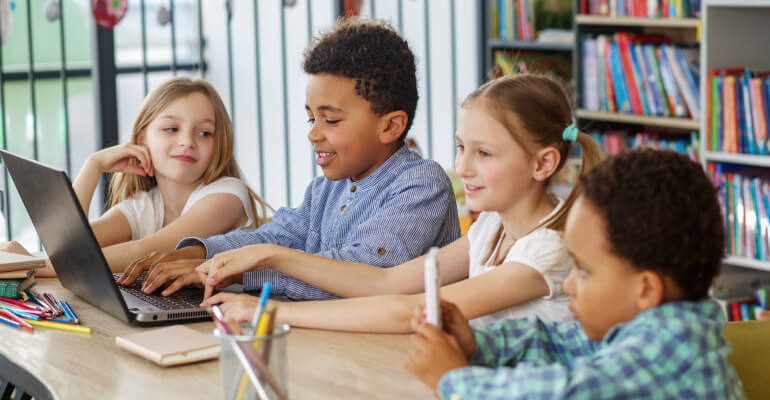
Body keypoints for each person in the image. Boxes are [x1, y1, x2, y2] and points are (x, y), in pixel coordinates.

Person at [198, 73, 601, 333]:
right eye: (461, 148)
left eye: (485, 154)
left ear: (543, 163)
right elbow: (384, 281)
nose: (462, 167)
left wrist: (273, 313)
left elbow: (412, 311)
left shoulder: (546, 249)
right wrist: (270, 256)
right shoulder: (490, 228)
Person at [120, 17, 461, 298]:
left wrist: (234, 271)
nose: (313, 133)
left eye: (331, 119)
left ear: (390, 126)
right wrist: (199, 254)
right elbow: (277, 236)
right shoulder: (326, 189)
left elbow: (362, 275)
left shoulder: (421, 184)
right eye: (311, 118)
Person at [405, 149, 746, 399]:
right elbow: (557, 344)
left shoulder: (664, 356)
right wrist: (476, 343)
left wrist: (453, 380)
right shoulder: (647, 330)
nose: (570, 283)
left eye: (583, 270)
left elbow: (564, 393)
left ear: (645, 290)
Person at [18, 77, 268, 283]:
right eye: (171, 129)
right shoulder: (144, 205)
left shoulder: (228, 196)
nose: (187, 142)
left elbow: (140, 252)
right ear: (142, 140)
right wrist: (93, 166)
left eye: (204, 133)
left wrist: (32, 265)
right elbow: (66, 246)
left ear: (219, 143)